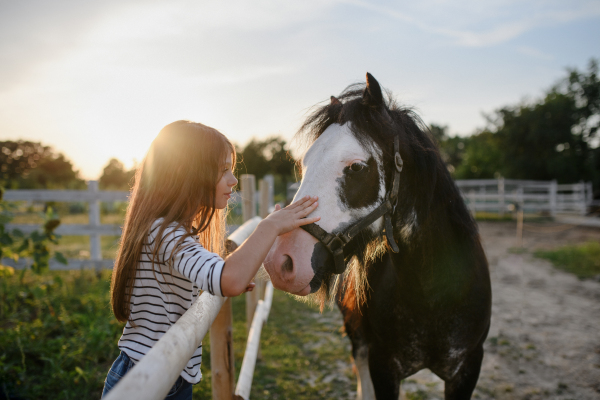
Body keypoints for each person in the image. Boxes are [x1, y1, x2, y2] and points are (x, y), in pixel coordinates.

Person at [101, 121, 319, 399]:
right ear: (188, 174)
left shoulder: (175, 232)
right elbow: (229, 279)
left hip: (173, 377)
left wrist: (238, 270)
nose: (233, 180)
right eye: (223, 171)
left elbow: (223, 275)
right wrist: (269, 226)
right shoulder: (164, 233)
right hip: (145, 378)